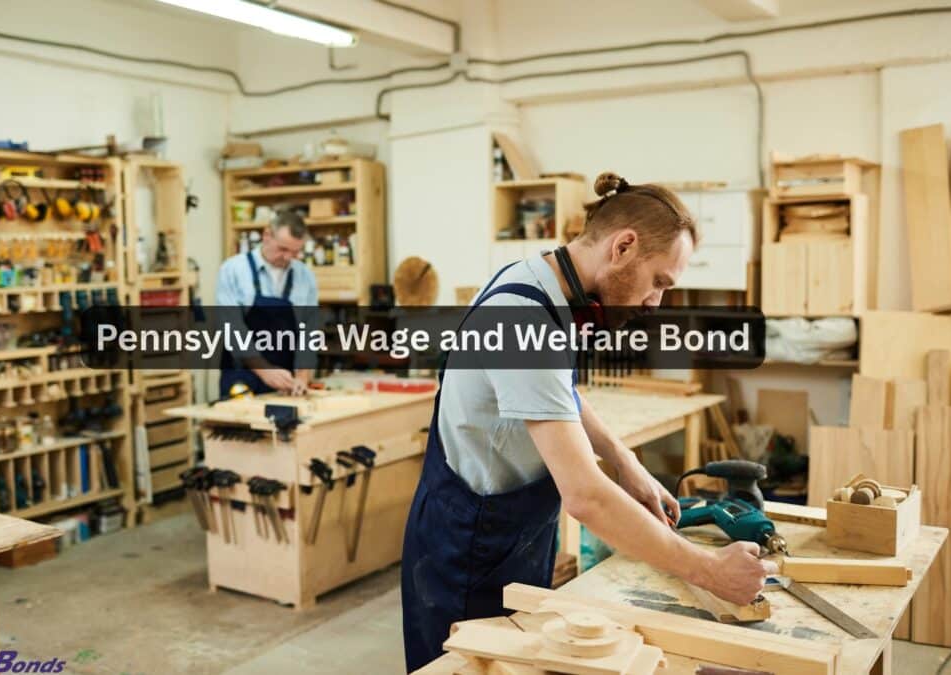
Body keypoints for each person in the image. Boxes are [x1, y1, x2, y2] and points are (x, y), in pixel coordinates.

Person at [401, 172, 778, 671]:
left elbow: (560, 393)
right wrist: (710, 570)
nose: (655, 302)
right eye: (659, 282)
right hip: (467, 550)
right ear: (623, 246)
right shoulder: (521, 318)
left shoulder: (542, 281)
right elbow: (585, 496)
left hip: (508, 532)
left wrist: (622, 459)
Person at [216, 210, 317, 397]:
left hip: (285, 381)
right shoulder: (233, 270)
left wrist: (303, 376)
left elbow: (308, 333)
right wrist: (265, 371)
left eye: (295, 252)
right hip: (242, 375)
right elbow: (232, 329)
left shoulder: (305, 276)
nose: (288, 258)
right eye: (283, 249)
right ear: (267, 235)